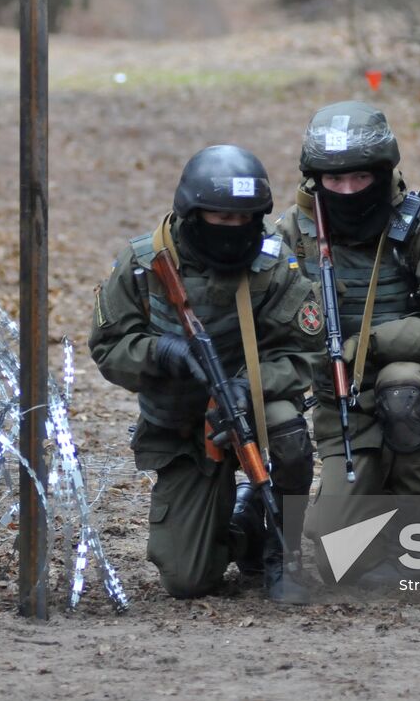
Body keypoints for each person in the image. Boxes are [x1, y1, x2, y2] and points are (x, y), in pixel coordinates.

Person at [276, 101, 420, 585]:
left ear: (383, 172)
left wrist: (368, 345)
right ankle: (352, 523)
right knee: (339, 562)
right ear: (315, 179)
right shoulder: (292, 236)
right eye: (335, 181)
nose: (349, 190)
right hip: (344, 408)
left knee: (403, 387)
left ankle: (407, 545)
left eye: (361, 178)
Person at [89, 145, 321, 603]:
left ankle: (281, 551)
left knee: (288, 429)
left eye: (244, 220)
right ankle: (244, 524)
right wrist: (160, 352)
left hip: (250, 410)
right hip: (181, 430)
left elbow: (306, 352)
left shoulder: (274, 265)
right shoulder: (143, 264)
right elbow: (106, 347)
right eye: (220, 219)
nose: (233, 231)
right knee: (188, 580)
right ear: (192, 214)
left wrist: (248, 386)